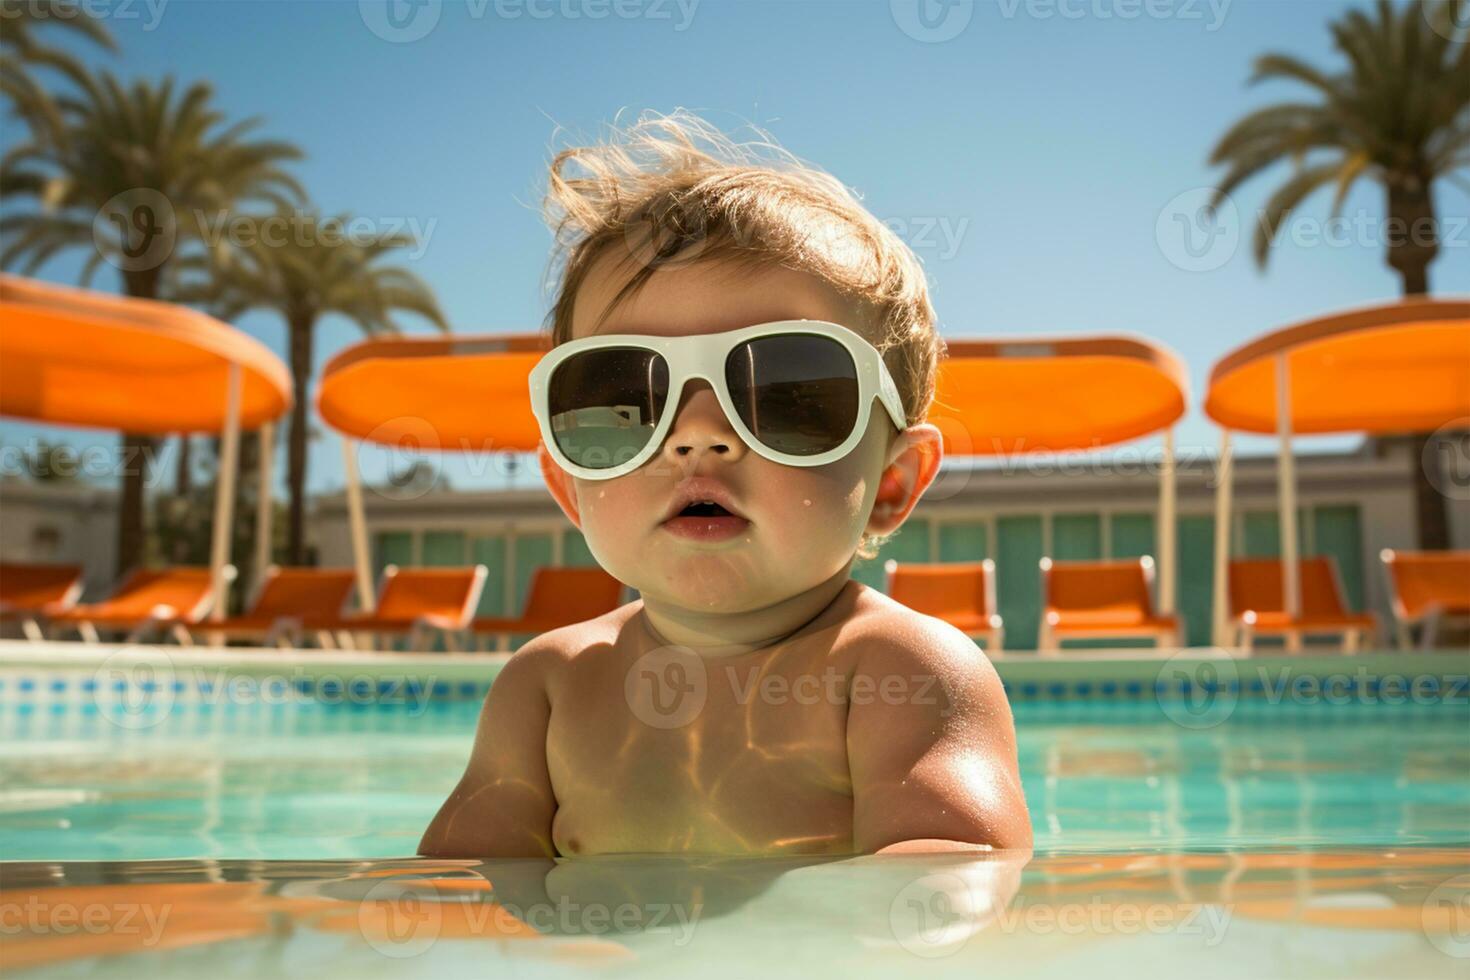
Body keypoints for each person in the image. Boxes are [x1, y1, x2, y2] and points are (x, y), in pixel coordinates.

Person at [420, 110, 1030, 858]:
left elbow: (953, 884)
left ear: (893, 482)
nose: (697, 432)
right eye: (624, 396)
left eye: (784, 391)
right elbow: (453, 896)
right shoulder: (546, 690)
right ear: (570, 487)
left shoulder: (899, 674)